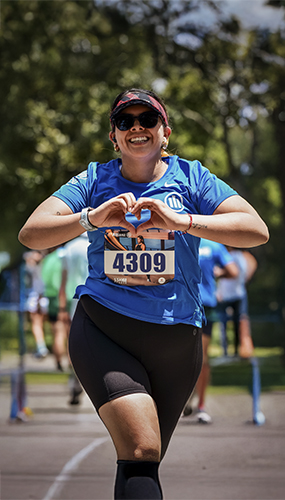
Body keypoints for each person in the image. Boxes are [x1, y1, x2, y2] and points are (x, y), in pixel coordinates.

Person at [18, 88, 269, 500]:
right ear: (114, 137)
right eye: (124, 121)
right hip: (105, 328)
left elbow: (256, 230)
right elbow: (31, 233)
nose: (136, 127)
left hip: (177, 339)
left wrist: (183, 221)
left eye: (147, 120)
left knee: (141, 461)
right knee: (141, 446)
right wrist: (90, 218)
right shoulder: (95, 179)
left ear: (164, 132)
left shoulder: (192, 178)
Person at [183, 238, 239, 423]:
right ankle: (197, 405)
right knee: (200, 357)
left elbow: (233, 271)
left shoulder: (181, 237)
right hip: (197, 304)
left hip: (188, 303)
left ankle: (196, 404)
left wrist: (218, 273)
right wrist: (218, 273)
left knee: (195, 357)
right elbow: (233, 271)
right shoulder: (214, 245)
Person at [216, 247, 258, 358]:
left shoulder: (238, 256)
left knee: (239, 324)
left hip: (237, 295)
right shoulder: (224, 254)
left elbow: (239, 273)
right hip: (225, 295)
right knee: (224, 325)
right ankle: (226, 351)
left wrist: (221, 273)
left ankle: (238, 351)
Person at [41, 246, 69, 371]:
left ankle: (58, 363)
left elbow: (43, 280)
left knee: (56, 332)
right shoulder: (61, 257)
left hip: (51, 297)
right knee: (67, 332)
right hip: (63, 295)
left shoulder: (47, 259)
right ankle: (70, 362)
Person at [23, 250, 49, 358]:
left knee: (36, 323)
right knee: (39, 323)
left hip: (38, 295)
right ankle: (41, 346)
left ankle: (41, 347)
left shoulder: (37, 264)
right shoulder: (48, 261)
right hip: (44, 295)